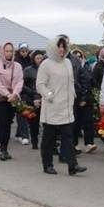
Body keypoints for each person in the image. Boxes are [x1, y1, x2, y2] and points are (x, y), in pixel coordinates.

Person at [37, 35, 86, 175]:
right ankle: (47, 164)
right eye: (59, 46)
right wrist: (49, 96)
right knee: (49, 139)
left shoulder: (68, 63)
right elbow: (40, 85)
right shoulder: (46, 64)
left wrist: (73, 95)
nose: (61, 49)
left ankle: (72, 165)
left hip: (66, 107)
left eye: (63, 46)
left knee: (68, 138)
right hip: (52, 108)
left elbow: (71, 82)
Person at [0, 43, 23, 161]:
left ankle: (5, 148)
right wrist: (7, 94)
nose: (9, 53)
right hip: (0, 98)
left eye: (11, 51)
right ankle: (2, 149)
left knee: (8, 123)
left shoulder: (17, 66)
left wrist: (14, 94)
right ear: (2, 52)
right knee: (3, 123)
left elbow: (19, 81)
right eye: (7, 51)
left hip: (13, 98)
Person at [72, 49, 97, 153]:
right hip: (75, 98)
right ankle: (74, 144)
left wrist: (86, 98)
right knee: (75, 123)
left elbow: (90, 82)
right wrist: (80, 98)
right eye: (76, 55)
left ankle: (89, 143)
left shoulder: (87, 66)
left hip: (88, 97)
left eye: (80, 55)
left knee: (88, 121)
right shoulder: (72, 67)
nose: (78, 57)